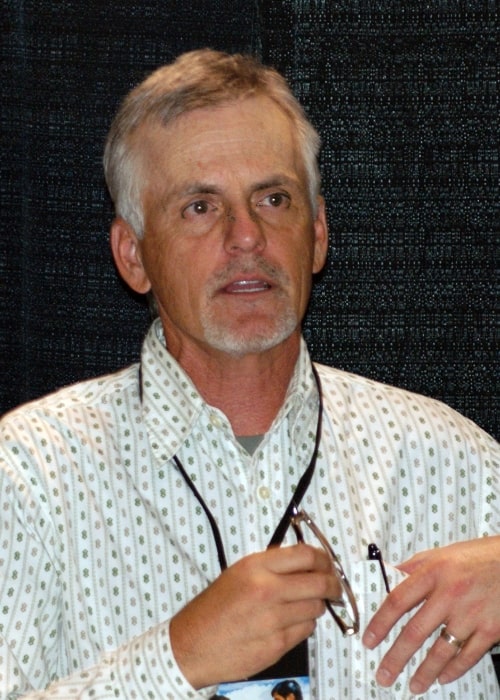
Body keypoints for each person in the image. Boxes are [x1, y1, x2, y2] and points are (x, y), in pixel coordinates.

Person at [0, 48, 498, 700]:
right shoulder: (28, 474)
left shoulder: (459, 463)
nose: (246, 237)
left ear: (316, 234)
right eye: (199, 207)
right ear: (133, 255)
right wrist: (175, 659)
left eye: (273, 198)